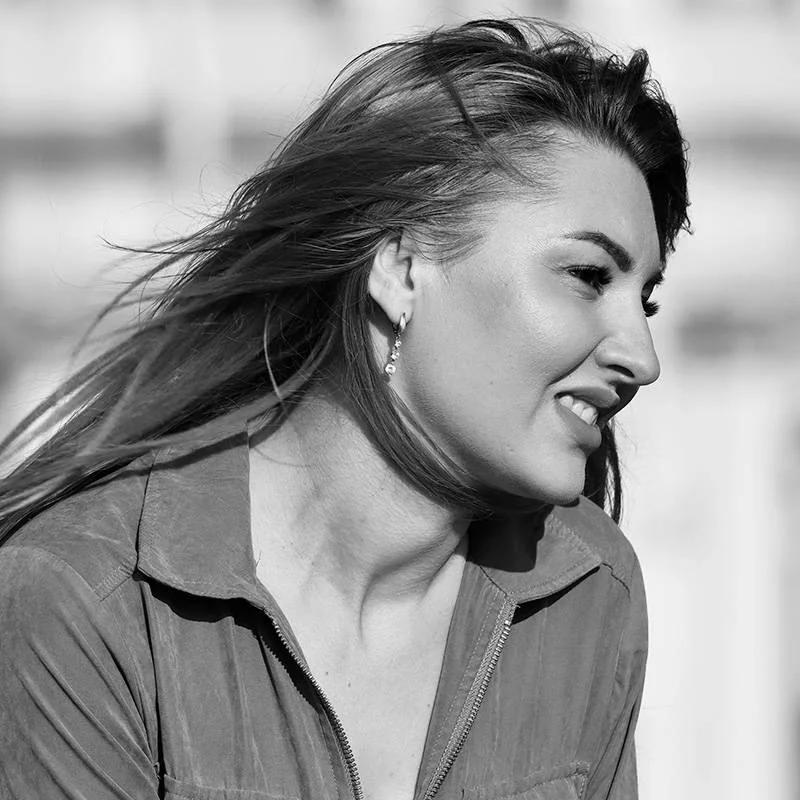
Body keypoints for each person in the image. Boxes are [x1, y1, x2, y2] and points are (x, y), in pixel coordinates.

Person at [0, 16, 689, 800]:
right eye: (589, 276)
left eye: (645, 300)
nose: (642, 359)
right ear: (399, 270)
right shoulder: (86, 599)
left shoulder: (586, 588)